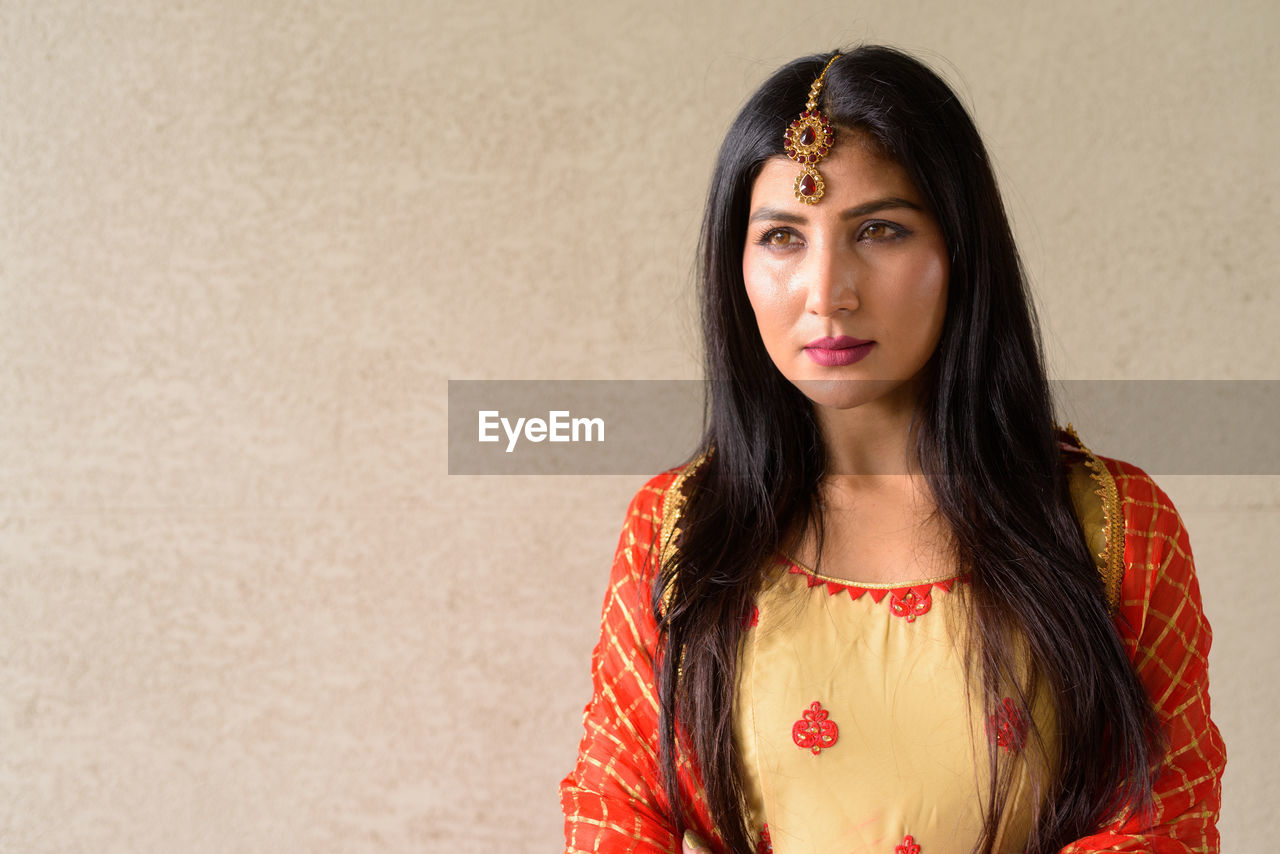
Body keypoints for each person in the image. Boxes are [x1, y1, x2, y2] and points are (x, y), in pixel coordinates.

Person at [560, 45, 1225, 854]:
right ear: (735, 265)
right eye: (781, 237)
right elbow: (616, 812)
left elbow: (1164, 824)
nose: (827, 290)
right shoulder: (677, 531)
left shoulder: (1114, 530)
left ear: (961, 254)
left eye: (879, 230)